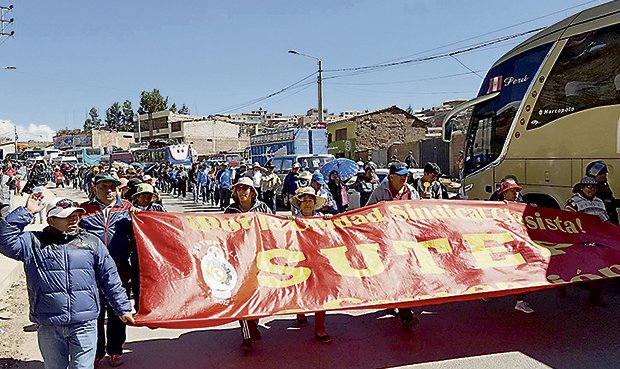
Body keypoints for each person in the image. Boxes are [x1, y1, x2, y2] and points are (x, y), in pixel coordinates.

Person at [0, 194, 134, 369]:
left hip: (84, 323)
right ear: (51, 220)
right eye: (66, 216)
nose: (74, 219)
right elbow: (4, 240)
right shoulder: (32, 243)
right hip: (49, 323)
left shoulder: (92, 242)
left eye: (76, 215)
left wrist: (122, 307)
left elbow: (110, 277)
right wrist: (26, 212)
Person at [79, 175, 138, 367]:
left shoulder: (128, 208)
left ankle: (115, 350)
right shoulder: (83, 210)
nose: (109, 190)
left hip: (119, 269)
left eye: (112, 187)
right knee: (94, 313)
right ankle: (96, 351)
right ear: (94, 188)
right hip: (90, 271)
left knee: (117, 311)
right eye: (103, 187)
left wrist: (140, 216)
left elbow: (141, 233)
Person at [366, 161, 420, 331]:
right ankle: (404, 311)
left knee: (405, 275)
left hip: (406, 239)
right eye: (401, 175)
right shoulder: (380, 191)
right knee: (394, 274)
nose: (405, 178)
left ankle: (405, 312)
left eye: (406, 175)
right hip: (387, 240)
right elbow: (368, 212)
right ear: (391, 177)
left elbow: (419, 212)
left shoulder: (411, 191)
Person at [224, 177, 273, 352]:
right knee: (242, 296)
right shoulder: (230, 211)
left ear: (252, 191)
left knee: (258, 295)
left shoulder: (263, 208)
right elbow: (223, 234)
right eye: (239, 188)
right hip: (238, 259)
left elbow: (273, 227)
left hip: (259, 257)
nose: (242, 192)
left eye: (246, 189)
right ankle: (246, 336)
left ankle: (254, 323)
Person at [289, 187, 332, 343]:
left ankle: (320, 328)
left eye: (310, 200)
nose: (307, 204)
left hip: (319, 261)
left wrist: (329, 220)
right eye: (304, 201)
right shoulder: (293, 221)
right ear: (299, 204)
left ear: (315, 203)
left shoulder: (323, 219)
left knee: (320, 294)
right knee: (302, 289)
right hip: (300, 261)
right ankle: (301, 312)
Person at [565, 176, 609, 306]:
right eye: (588, 187)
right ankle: (563, 285)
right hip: (580, 240)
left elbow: (604, 221)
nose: (591, 189)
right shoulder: (573, 202)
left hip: (597, 240)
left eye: (594, 187)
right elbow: (567, 220)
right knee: (576, 267)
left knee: (601, 267)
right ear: (582, 188)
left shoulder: (600, 202)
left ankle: (595, 296)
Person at [496, 178, 534, 314]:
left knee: (521, 270)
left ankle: (521, 301)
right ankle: (488, 293)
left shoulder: (521, 206)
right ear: (504, 193)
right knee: (499, 271)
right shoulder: (495, 208)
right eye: (512, 191)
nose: (516, 194)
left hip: (518, 245)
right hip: (501, 245)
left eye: (516, 191)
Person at [585, 160, 620, 225]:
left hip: (609, 219)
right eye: (600, 174)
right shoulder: (590, 189)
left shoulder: (603, 186)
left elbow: (610, 200)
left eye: (604, 173)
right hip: (600, 222)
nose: (603, 175)